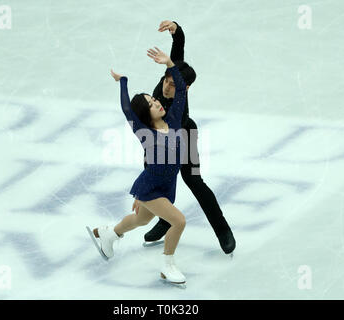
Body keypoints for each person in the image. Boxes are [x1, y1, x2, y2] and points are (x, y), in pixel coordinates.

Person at [88, 47, 188, 284]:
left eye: (154, 100)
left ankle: (108, 234)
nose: (157, 103)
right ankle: (168, 266)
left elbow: (181, 91)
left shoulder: (173, 119)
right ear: (145, 112)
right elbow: (126, 109)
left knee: (142, 220)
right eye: (152, 104)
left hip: (165, 186)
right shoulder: (145, 132)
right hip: (151, 188)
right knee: (179, 221)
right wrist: (123, 82)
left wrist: (170, 65)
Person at [142, 21, 236, 254]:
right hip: (157, 141)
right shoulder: (167, 80)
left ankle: (222, 229)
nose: (166, 87)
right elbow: (178, 56)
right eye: (166, 80)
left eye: (173, 85)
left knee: (193, 181)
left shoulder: (179, 103)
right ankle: (166, 219)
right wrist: (177, 30)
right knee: (157, 180)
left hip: (184, 138)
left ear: (185, 88)